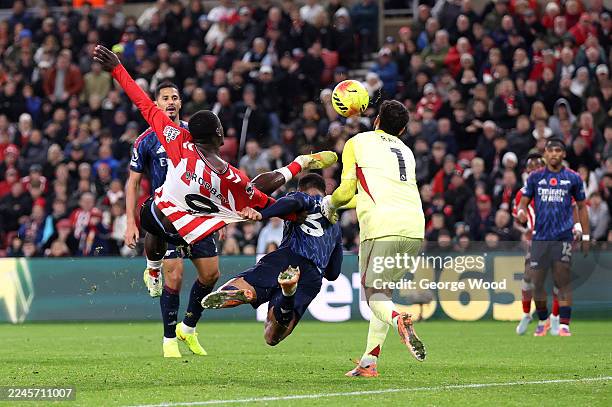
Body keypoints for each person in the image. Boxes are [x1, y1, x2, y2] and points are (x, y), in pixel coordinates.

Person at [93, 45, 337, 358]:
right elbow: (260, 194)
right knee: (167, 254)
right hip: (190, 221)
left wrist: (117, 69)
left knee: (200, 266)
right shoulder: (230, 178)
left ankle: (188, 324)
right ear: (220, 135)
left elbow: (141, 103)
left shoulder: (176, 139)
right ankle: (154, 271)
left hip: (166, 213)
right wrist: (297, 174)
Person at [321, 100, 426, 377]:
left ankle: (398, 320)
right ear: (402, 129)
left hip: (381, 226)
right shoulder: (406, 151)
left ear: (377, 119)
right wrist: (338, 203)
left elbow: (346, 191)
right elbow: (369, 193)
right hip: (415, 228)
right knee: (383, 292)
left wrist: (330, 204)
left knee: (373, 296)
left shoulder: (358, 142)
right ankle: (369, 361)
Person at [201, 174, 342, 346]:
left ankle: (244, 292)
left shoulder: (305, 198)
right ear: (325, 190)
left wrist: (262, 215)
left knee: (242, 285)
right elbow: (333, 274)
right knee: (272, 336)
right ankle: (288, 295)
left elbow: (292, 203)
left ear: (300, 189)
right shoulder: (336, 225)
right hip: (312, 278)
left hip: (287, 258)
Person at [516, 138, 590, 337]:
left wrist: (584, 233)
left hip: (563, 236)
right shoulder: (535, 179)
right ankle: (543, 319)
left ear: (563, 154)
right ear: (546, 154)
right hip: (540, 238)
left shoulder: (573, 178)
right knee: (536, 283)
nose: (555, 154)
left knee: (563, 279)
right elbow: (523, 203)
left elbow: (580, 206)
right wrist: (522, 212)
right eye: (551, 150)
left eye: (558, 150)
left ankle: (564, 324)